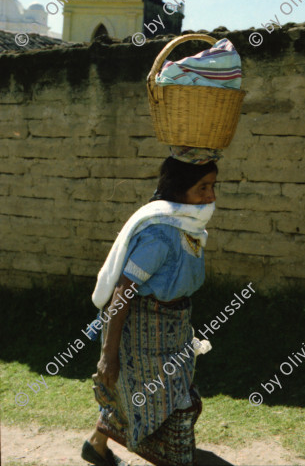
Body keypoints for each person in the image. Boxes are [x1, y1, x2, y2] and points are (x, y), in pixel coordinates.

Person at [81, 153, 218, 466]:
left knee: (146, 393)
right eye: (202, 188)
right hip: (143, 331)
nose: (211, 196)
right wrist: (109, 356)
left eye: (212, 186)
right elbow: (121, 295)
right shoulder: (159, 235)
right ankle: (176, 459)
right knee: (179, 403)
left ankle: (96, 445)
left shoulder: (189, 228)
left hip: (173, 326)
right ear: (179, 190)